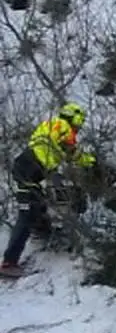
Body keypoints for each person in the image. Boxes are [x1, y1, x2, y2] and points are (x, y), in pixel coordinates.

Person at [2, 102, 95, 276]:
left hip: (29, 168)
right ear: (74, 117)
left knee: (35, 206)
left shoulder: (49, 125)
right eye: (80, 121)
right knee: (29, 210)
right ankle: (9, 263)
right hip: (33, 168)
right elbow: (71, 152)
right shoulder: (63, 127)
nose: (80, 126)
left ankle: (41, 233)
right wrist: (90, 161)